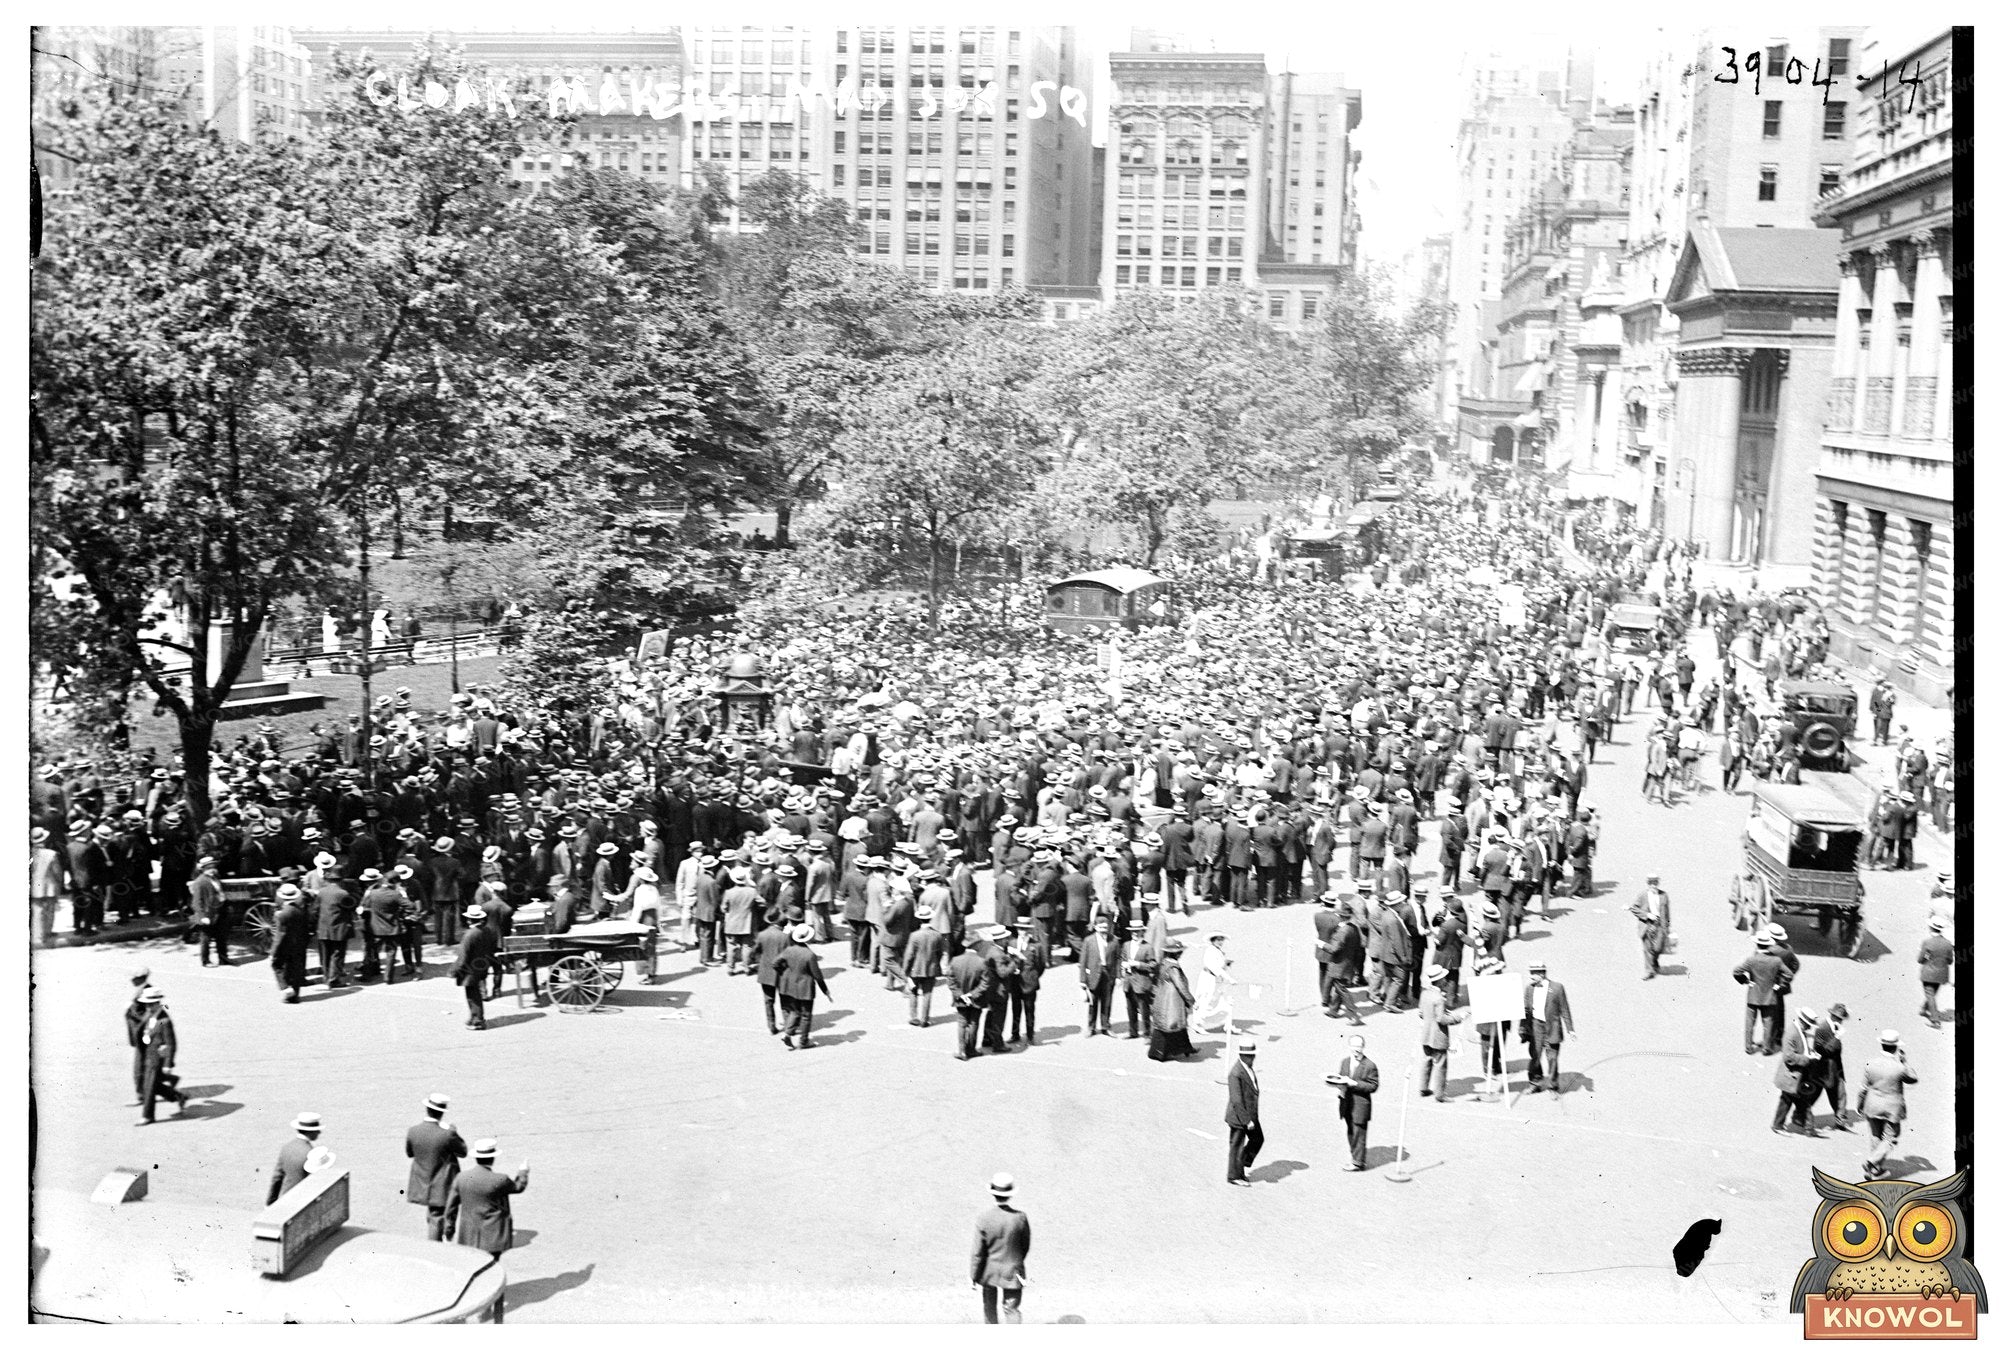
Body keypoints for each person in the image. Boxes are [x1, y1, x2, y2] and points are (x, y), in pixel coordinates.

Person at [455, 1139, 530, 1287]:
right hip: (492, 1234)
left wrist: (449, 1228)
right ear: (493, 1158)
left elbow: (452, 1204)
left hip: (469, 1232)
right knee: (491, 1268)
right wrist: (523, 1172)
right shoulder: (499, 1179)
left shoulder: (462, 1177)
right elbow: (518, 1187)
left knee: (473, 1265)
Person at [970, 1173, 1031, 1325]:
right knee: (1011, 1309)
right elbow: (1025, 1245)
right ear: (1009, 1195)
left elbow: (978, 1252)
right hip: (1012, 1270)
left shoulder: (983, 1218)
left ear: (993, 1194)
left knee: (989, 1306)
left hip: (989, 1271)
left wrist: (974, 1276)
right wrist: (1016, 1261)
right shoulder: (1020, 1217)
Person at [405, 1093, 466, 1241]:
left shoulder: (413, 1131)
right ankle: (441, 1241)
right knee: (443, 1215)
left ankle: (441, 1238)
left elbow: (410, 1153)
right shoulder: (447, 1134)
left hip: (424, 1183)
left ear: (427, 1109)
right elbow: (462, 1152)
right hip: (445, 1183)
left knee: (434, 1215)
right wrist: (453, 1132)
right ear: (442, 1113)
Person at [1858, 1030, 1917, 1180]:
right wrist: (1905, 1061)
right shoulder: (1899, 1067)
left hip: (1872, 1104)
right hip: (1892, 1108)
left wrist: (1859, 1104)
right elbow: (1913, 1078)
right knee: (1891, 1138)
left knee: (1875, 1136)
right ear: (1896, 1047)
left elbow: (1863, 1088)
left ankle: (1875, 1170)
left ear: (1882, 1044)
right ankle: (1872, 1163)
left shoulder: (1871, 1064)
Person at [775, 922, 832, 1050]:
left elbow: (775, 963)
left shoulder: (789, 950)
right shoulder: (809, 955)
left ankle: (788, 1034)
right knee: (806, 1015)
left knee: (795, 1011)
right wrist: (825, 991)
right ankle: (803, 1041)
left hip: (790, 986)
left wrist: (784, 973)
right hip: (805, 988)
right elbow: (818, 976)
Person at [132, 987, 185, 1126]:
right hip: (146, 1054)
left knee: (149, 1086)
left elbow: (171, 1043)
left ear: (157, 1003)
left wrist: (168, 1063)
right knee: (149, 1084)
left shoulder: (164, 1020)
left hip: (157, 1058)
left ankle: (147, 1116)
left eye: (150, 1004)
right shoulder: (151, 1014)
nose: (148, 1007)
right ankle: (178, 1096)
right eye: (146, 1004)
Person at [1328, 1034, 1380, 1171]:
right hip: (1346, 1103)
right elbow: (1340, 1077)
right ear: (1349, 1046)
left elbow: (1373, 1086)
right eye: (1354, 1046)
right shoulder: (1345, 1061)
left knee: (1359, 1134)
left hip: (1360, 1106)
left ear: (1363, 1047)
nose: (1356, 1049)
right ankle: (1355, 1158)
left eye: (1359, 1046)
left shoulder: (1370, 1065)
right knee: (1351, 1132)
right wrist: (1338, 1085)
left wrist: (1355, 1083)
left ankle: (1358, 1163)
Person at [1521, 962, 1575, 1093]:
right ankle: (1535, 1083)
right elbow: (1525, 1010)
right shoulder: (1529, 988)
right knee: (1535, 1055)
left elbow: (1565, 1009)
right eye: (1531, 973)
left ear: (1542, 973)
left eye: (1533, 973)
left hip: (1552, 1028)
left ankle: (1553, 1086)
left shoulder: (1557, 988)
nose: (1531, 977)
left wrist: (1570, 1029)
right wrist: (1522, 1028)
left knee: (1552, 1058)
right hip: (1536, 1027)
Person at [1417, 965, 1470, 1100]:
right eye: (1444, 978)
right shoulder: (1439, 998)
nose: (1446, 980)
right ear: (1440, 981)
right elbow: (1442, 1019)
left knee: (1426, 1060)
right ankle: (1440, 1094)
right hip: (1438, 1036)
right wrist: (1459, 1017)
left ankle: (1423, 1088)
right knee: (1440, 1064)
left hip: (1426, 1034)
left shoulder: (1425, 993)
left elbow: (1422, 1013)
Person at [1733, 931, 1789, 1055]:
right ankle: (1766, 1048)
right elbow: (1788, 974)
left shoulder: (1752, 960)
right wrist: (1779, 985)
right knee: (1768, 1023)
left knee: (1749, 1023)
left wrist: (1746, 981)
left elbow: (1736, 972)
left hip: (1753, 995)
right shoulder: (1776, 960)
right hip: (1769, 997)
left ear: (1757, 944)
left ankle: (1748, 1047)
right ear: (1769, 946)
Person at [1772, 1006, 1825, 1136]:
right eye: (1808, 1025)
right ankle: (1807, 1128)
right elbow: (1789, 1057)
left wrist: (1810, 1053)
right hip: (1791, 1075)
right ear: (1802, 1021)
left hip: (1793, 1076)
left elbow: (1801, 1049)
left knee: (1788, 1100)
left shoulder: (1799, 1031)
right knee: (1800, 1101)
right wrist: (1808, 1059)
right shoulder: (1792, 1033)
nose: (1809, 1028)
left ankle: (1781, 1124)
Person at [1224, 1038, 1263, 1187]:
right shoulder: (1236, 1073)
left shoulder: (1247, 1068)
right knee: (1237, 1145)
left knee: (1258, 1139)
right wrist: (1247, 1120)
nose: (1252, 1058)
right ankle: (1234, 1175)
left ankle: (1241, 1163)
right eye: (1249, 1055)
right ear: (1242, 1055)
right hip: (1240, 1117)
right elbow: (1236, 1100)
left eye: (1253, 1055)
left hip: (1250, 1114)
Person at [451, 905, 497, 1031]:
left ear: (469, 920)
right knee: (474, 992)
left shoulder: (469, 934)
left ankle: (477, 1020)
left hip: (469, 969)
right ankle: (474, 1017)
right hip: (481, 966)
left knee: (472, 995)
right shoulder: (487, 931)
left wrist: (455, 970)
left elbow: (463, 955)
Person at [948, 938, 995, 1060]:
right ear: (977, 945)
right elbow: (985, 983)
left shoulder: (955, 960)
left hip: (960, 999)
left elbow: (951, 981)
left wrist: (961, 995)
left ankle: (961, 1050)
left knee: (962, 1023)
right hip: (976, 999)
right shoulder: (981, 962)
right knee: (973, 1023)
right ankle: (971, 1049)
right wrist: (972, 995)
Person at [1149, 938, 1195, 1061]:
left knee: (1165, 1026)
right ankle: (1165, 1052)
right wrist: (1191, 1000)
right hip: (1172, 1002)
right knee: (1174, 1024)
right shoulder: (1174, 968)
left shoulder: (1163, 963)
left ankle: (1184, 1048)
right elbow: (1181, 986)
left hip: (1162, 998)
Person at [1078, 914, 1121, 1036]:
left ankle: (1105, 1027)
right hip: (1093, 976)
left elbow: (1118, 959)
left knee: (1107, 1002)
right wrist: (1082, 981)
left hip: (1109, 975)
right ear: (1096, 927)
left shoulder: (1114, 941)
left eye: (1106, 927)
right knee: (1093, 1002)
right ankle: (1090, 1027)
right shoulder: (1088, 941)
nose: (1104, 930)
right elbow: (1083, 962)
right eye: (1101, 927)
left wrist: (1118, 977)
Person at [904, 905, 947, 1027]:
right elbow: (940, 953)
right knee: (928, 994)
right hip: (931, 968)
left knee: (913, 992)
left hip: (915, 968)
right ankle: (924, 1019)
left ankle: (913, 1016)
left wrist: (905, 970)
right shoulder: (937, 935)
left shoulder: (914, 935)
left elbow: (909, 955)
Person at [267, 1112, 323, 1204]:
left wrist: (270, 1202)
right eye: (317, 1130)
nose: (319, 1132)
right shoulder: (311, 1153)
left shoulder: (286, 1148)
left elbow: (277, 1178)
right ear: (311, 1132)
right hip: (303, 1202)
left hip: (285, 1199)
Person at [1008, 918, 1047, 1046]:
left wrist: (1033, 976)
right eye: (1020, 929)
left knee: (1029, 1010)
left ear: (1029, 930)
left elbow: (1041, 965)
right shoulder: (1012, 943)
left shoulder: (1036, 946)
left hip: (1029, 983)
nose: (1022, 932)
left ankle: (1030, 1036)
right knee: (1015, 1009)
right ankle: (1015, 1034)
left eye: (1025, 929)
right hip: (1015, 983)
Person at [270, 884, 310, 1003]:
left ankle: (285, 988)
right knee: (295, 968)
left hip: (285, 944)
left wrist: (274, 950)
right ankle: (295, 994)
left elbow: (280, 935)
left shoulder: (282, 914)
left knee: (277, 965)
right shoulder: (300, 911)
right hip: (298, 943)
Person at [753, 912, 790, 1037]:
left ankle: (771, 1025)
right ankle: (788, 1024)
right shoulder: (786, 937)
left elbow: (755, 951)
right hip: (782, 972)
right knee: (785, 1000)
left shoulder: (762, 935)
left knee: (768, 1000)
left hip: (766, 972)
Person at [1192, 932, 1236, 1035]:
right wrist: (1229, 978)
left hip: (1215, 979)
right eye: (1218, 940)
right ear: (1213, 941)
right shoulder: (1210, 951)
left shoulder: (1216, 950)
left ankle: (1227, 1024)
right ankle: (1198, 1024)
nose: (1220, 942)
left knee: (1223, 1000)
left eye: (1222, 940)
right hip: (1208, 979)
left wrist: (1226, 963)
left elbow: (1219, 965)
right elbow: (1214, 967)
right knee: (1206, 1001)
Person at [1630, 873, 1671, 980]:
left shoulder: (1663, 895)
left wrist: (1667, 926)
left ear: (1658, 883)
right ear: (1648, 884)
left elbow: (1667, 912)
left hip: (1660, 925)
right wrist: (1647, 915)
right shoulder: (1642, 895)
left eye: (1655, 883)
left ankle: (1654, 962)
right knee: (1647, 949)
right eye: (1651, 883)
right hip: (1647, 924)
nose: (1653, 885)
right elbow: (1634, 908)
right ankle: (1649, 971)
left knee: (1658, 948)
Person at [1120, 918, 1156, 1040]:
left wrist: (1138, 964)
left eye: (1137, 931)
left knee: (1144, 1010)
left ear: (1142, 932)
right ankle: (1133, 1032)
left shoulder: (1148, 947)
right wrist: (1123, 967)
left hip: (1142, 983)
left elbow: (1153, 965)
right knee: (1130, 1009)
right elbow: (1122, 959)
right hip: (1129, 982)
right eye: (1132, 931)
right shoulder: (1126, 945)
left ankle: (1147, 1033)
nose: (1134, 933)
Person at [1917, 916, 1952, 1028]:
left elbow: (1921, 959)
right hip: (1942, 974)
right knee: (1932, 993)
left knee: (1930, 994)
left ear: (1931, 928)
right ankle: (1924, 1009)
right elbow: (1950, 960)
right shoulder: (1948, 944)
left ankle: (1935, 1020)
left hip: (1929, 973)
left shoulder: (1927, 942)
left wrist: (1928, 957)